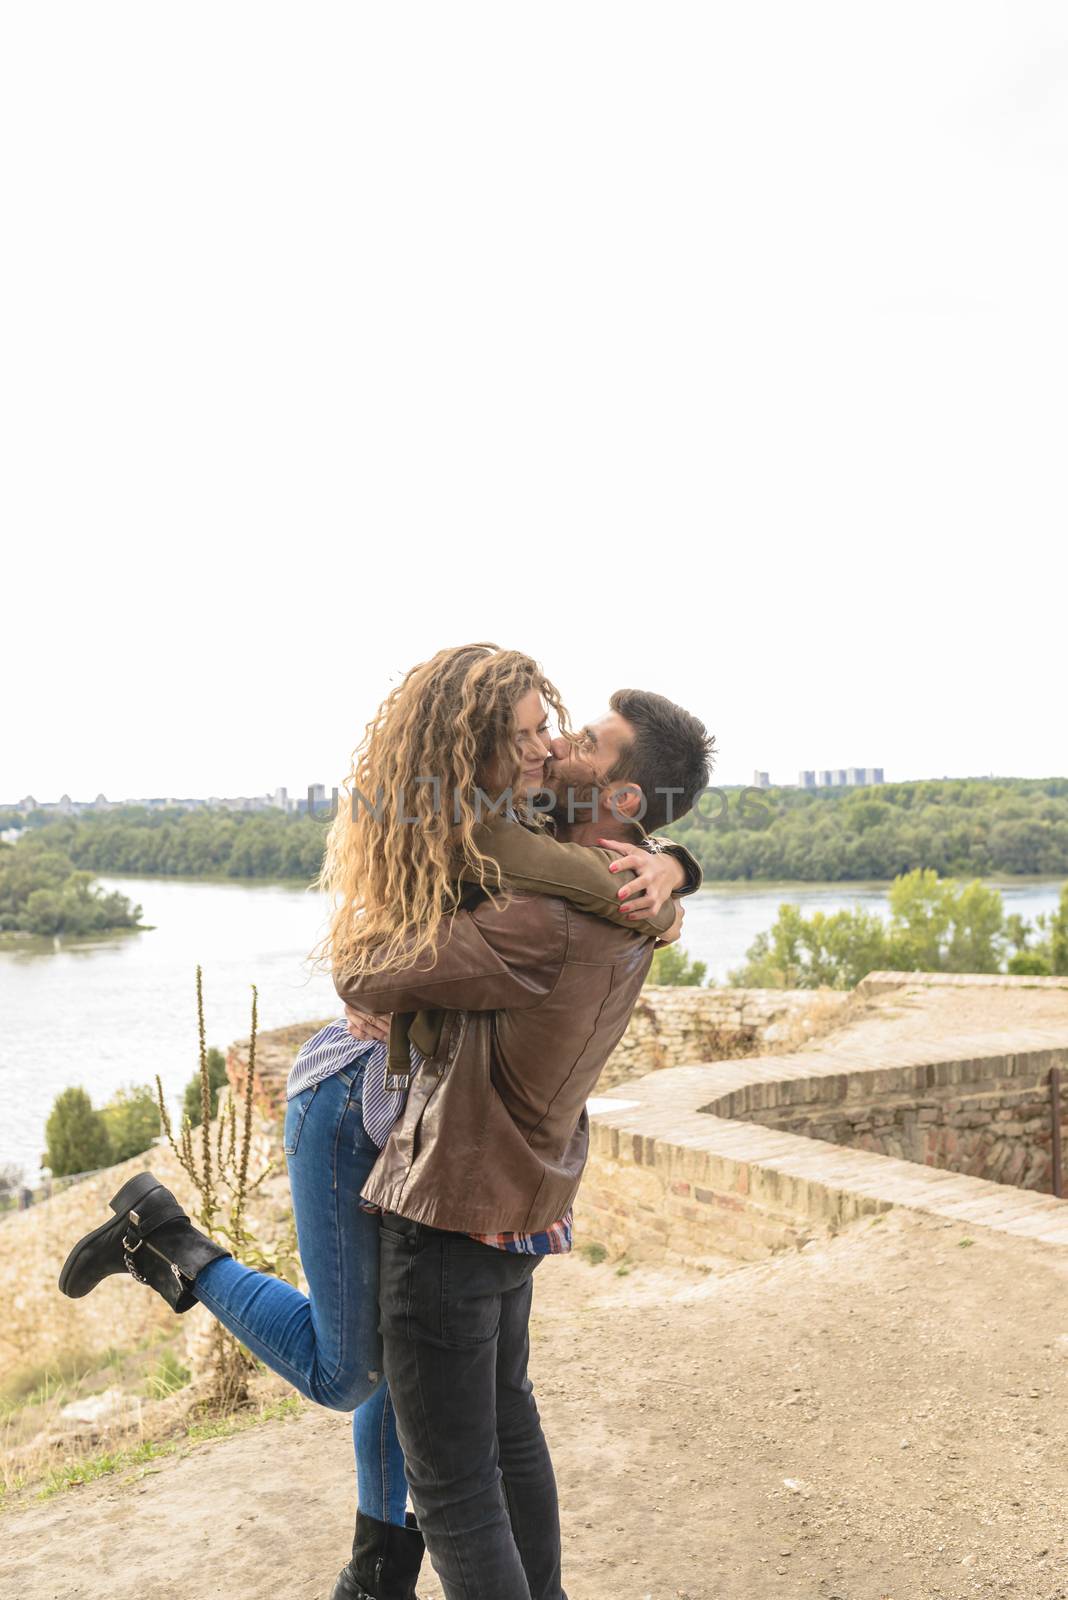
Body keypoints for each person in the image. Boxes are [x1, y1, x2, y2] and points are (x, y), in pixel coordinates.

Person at [57, 644, 710, 1600]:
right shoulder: (492, 838)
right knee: (353, 1370)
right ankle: (173, 1248)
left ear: (620, 800)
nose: (553, 744)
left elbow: (598, 862)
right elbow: (368, 965)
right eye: (530, 734)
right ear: (477, 748)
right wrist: (644, 881)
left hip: (436, 1133)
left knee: (413, 1381)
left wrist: (672, 871)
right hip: (356, 1095)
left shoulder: (561, 847)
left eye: (566, 736)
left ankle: (375, 1565)